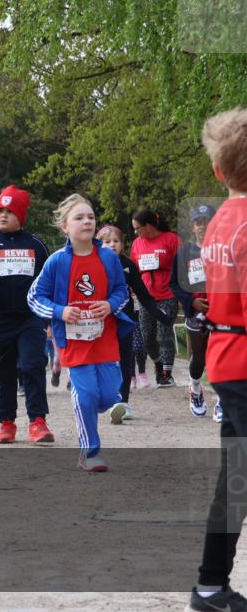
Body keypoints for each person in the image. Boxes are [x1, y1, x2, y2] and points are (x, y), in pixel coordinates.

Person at [186, 108, 247, 612]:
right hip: (245, 358)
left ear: (217, 171)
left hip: (227, 357)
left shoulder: (218, 220)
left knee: (237, 478)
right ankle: (208, 585)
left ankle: (209, 585)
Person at [28, 194, 135, 472]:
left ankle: (88, 400)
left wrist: (109, 305)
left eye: (90, 217)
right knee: (86, 395)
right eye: (79, 217)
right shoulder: (56, 262)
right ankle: (90, 453)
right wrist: (60, 311)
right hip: (73, 341)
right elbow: (34, 297)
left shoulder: (109, 258)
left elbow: (123, 292)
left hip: (105, 338)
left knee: (111, 396)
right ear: (65, 226)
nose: (87, 221)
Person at [0, 185, 55, 445]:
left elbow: (49, 279)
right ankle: (6, 423)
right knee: (4, 370)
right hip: (0, 320)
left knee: (32, 364)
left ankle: (38, 421)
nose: (3, 215)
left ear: (21, 215)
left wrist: (47, 316)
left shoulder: (36, 244)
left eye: (10, 210)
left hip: (30, 318)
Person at [95, 225, 169, 423]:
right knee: (102, 363)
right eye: (107, 241)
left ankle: (123, 403)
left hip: (124, 321)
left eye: (116, 241)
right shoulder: (92, 263)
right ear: (98, 243)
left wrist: (161, 315)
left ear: (123, 244)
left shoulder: (128, 265)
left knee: (125, 362)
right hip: (97, 323)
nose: (112, 245)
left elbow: (144, 296)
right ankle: (101, 398)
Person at [170, 204, 218, 419]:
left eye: (207, 221)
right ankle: (195, 387)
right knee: (199, 359)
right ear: (192, 227)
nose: (203, 226)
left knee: (220, 358)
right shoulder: (185, 253)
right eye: (198, 222)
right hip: (196, 313)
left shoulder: (223, 251)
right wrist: (191, 302)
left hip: (222, 313)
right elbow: (174, 284)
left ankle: (222, 399)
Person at [130, 208, 182, 387]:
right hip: (146, 298)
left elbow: (183, 267)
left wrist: (183, 294)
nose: (136, 232)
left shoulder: (171, 239)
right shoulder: (137, 244)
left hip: (167, 294)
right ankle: (159, 366)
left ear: (149, 225)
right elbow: (134, 270)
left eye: (138, 228)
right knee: (147, 337)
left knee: (164, 334)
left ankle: (166, 375)